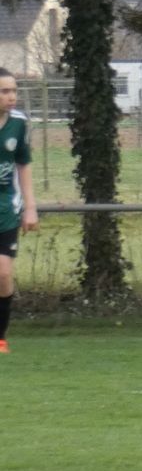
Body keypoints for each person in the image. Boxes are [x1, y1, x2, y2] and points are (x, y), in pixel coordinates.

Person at [0, 67, 40, 354]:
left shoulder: (18, 123)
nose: (11, 96)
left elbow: (23, 165)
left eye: (14, 90)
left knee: (3, 274)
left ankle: (0, 338)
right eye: (5, 91)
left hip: (6, 209)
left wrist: (30, 208)